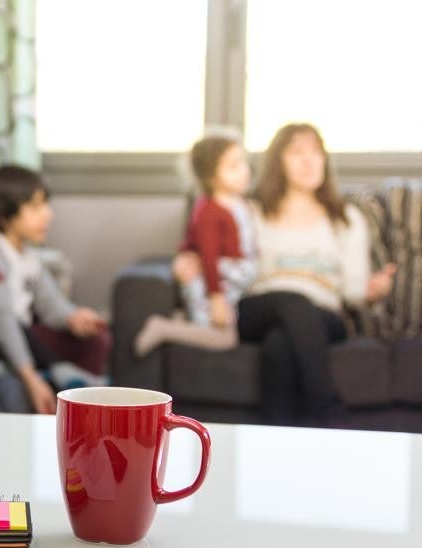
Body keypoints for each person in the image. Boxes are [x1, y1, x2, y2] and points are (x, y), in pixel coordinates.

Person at [176, 123, 396, 425]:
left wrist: (372, 291)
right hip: (259, 307)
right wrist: (189, 258)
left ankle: (273, 445)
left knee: (280, 343)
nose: (309, 160)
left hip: (322, 314)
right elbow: (208, 235)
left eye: (315, 152)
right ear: (278, 161)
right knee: (289, 303)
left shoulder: (346, 218)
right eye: (297, 152)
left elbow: (352, 292)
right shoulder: (251, 211)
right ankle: (327, 416)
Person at [0, 166, 111, 415]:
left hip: (22, 332)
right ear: (2, 215)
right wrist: (30, 378)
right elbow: (1, 318)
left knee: (97, 338)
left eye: (46, 205)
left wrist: (72, 317)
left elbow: (50, 304)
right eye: (35, 207)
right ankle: (62, 377)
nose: (48, 215)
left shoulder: (28, 256)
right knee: (13, 326)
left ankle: (82, 400)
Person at [136, 134, 256, 355]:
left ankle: (181, 320)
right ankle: (163, 328)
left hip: (231, 283)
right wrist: (217, 298)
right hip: (209, 284)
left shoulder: (239, 203)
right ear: (211, 177)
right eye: (233, 166)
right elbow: (208, 257)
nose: (244, 170)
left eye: (243, 162)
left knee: (225, 332)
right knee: (224, 339)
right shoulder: (209, 211)